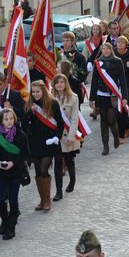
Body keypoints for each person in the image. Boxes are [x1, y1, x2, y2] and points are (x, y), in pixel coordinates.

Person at [24, 80, 64, 211]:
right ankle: (42, 200)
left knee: (43, 169)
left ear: (43, 91)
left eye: (38, 91)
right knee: (37, 171)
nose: (35, 94)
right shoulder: (29, 104)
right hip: (34, 143)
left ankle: (47, 200)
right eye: (33, 92)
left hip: (49, 142)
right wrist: (31, 112)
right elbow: (24, 125)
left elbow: (60, 123)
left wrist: (57, 137)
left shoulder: (52, 103)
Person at [0, 109, 28, 240]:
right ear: (1, 120)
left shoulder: (21, 135)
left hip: (15, 172)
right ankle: (5, 220)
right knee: (0, 201)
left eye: (11, 118)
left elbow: (24, 154)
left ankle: (11, 227)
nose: (9, 121)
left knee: (13, 200)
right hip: (0, 172)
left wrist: (13, 163)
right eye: (6, 119)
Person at [90, 42, 128, 151]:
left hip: (113, 95)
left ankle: (116, 136)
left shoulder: (118, 61)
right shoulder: (97, 63)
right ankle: (105, 146)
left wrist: (124, 97)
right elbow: (94, 82)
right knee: (103, 120)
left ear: (111, 50)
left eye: (107, 49)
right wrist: (92, 98)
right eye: (103, 49)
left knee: (111, 119)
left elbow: (122, 80)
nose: (105, 51)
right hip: (101, 95)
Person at [52, 74, 80, 202]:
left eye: (62, 82)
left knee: (69, 161)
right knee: (57, 163)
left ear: (65, 83)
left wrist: (72, 136)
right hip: (56, 136)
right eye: (57, 82)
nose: (59, 84)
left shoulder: (73, 98)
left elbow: (75, 118)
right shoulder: (50, 98)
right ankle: (58, 191)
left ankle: (72, 182)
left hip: (68, 134)